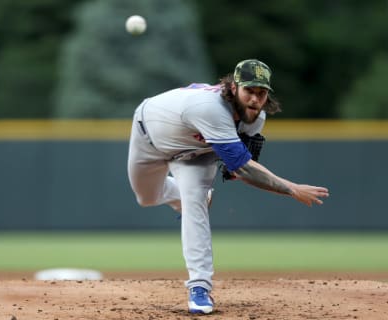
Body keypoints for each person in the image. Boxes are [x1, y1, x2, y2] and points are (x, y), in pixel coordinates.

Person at [127, 59, 329, 314]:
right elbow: (244, 168)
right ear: (233, 88)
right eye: (250, 91)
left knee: (195, 202)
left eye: (262, 92)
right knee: (146, 197)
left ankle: (199, 287)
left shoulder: (256, 118)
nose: (256, 99)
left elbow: (241, 167)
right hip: (151, 139)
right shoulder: (210, 108)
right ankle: (181, 196)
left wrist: (238, 167)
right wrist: (291, 188)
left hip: (198, 154)